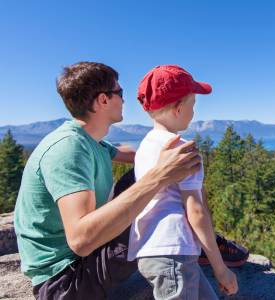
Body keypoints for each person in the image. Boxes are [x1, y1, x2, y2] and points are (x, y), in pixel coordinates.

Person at [14, 62, 201, 300]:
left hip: (79, 262)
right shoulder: (68, 148)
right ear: (103, 100)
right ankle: (198, 240)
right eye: (119, 93)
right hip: (67, 278)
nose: (124, 100)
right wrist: (160, 176)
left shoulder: (91, 141)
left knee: (140, 177)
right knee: (156, 199)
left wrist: (167, 153)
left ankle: (199, 238)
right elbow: (81, 240)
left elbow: (132, 155)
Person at [128, 65, 238, 299]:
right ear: (178, 109)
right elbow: (196, 212)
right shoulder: (182, 150)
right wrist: (221, 268)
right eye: (193, 106)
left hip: (151, 250)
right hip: (174, 252)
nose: (194, 113)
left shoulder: (146, 146)